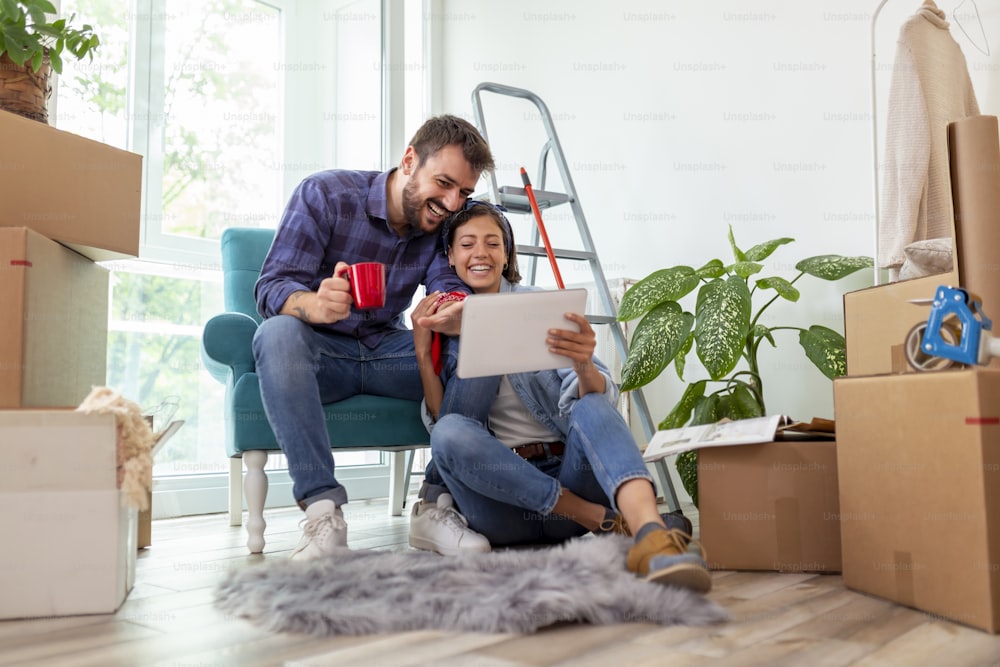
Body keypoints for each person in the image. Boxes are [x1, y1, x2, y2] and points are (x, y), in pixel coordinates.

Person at [409, 200, 712, 592]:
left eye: (492, 243)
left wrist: (585, 365)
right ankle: (600, 519)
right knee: (448, 431)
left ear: (506, 255)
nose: (480, 253)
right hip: (502, 504)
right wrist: (421, 350)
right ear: (450, 257)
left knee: (592, 402)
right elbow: (443, 432)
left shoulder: (539, 305)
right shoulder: (439, 318)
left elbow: (594, 399)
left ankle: (651, 535)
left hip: (567, 474)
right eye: (467, 244)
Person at [253, 115, 494, 560]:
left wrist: (454, 307)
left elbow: (447, 285)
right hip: (322, 353)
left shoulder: (442, 224)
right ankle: (323, 514)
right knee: (278, 332)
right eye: (443, 183)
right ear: (408, 160)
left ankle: (434, 505)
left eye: (463, 193)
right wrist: (313, 304)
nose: (451, 202)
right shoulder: (325, 194)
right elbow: (271, 287)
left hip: (390, 352)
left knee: (477, 341)